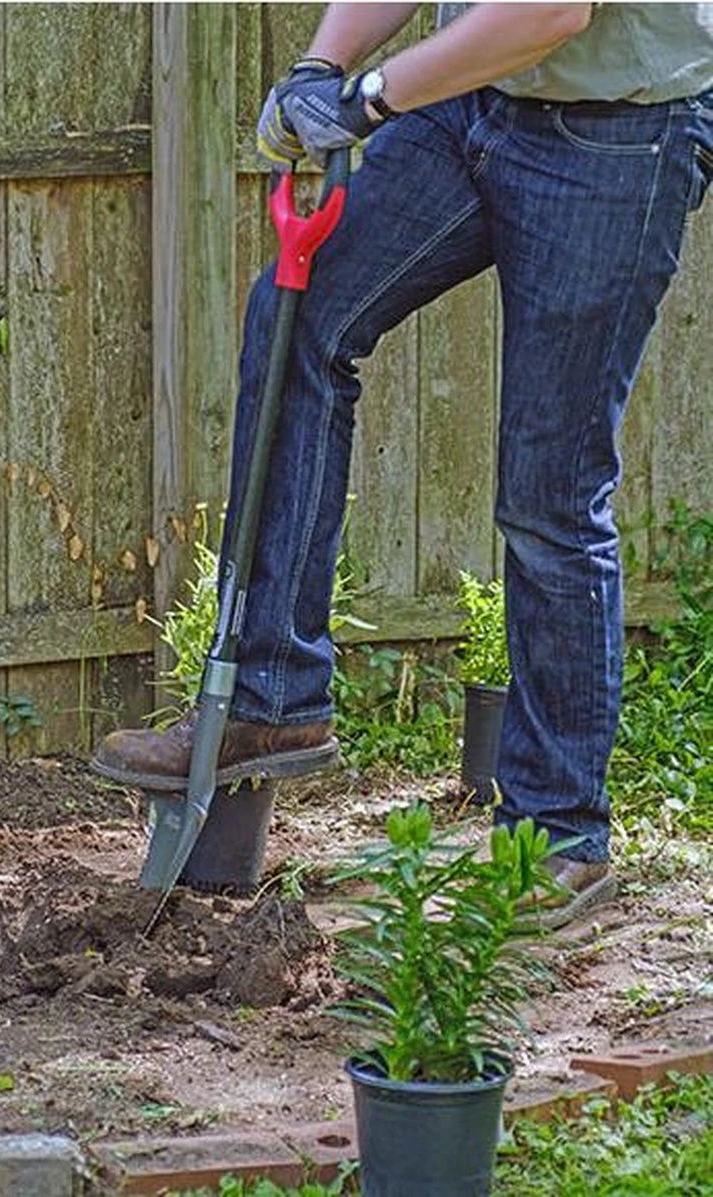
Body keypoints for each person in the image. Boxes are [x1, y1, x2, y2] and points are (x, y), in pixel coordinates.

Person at [94, 3, 713, 926]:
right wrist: (321, 65)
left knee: (549, 490)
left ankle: (559, 833)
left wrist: (372, 96)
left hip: (619, 135)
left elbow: (548, 11)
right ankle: (271, 695)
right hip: (472, 107)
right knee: (301, 319)